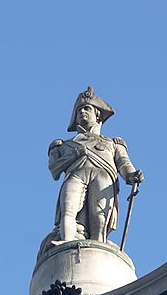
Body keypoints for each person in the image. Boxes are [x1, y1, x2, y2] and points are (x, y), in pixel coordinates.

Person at [46, 86, 144, 245]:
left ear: (97, 114)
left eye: (86, 109)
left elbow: (123, 163)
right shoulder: (63, 145)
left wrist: (132, 175)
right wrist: (74, 155)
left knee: (99, 217)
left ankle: (98, 246)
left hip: (103, 176)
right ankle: (66, 242)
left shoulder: (113, 143)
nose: (82, 112)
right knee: (68, 211)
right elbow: (54, 169)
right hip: (75, 175)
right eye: (79, 111)